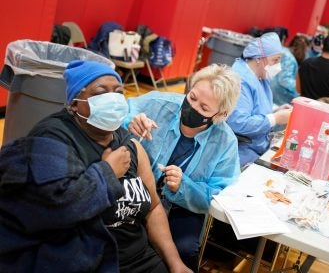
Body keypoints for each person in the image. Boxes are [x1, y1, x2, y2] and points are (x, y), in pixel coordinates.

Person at [0, 60, 192, 273]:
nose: (112, 98)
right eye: (101, 92)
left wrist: (176, 263)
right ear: (74, 104)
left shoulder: (130, 144)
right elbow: (55, 211)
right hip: (85, 259)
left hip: (137, 257)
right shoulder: (52, 139)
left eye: (118, 92)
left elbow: (153, 207)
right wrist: (107, 173)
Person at [124, 64, 241, 272]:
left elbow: (222, 195)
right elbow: (115, 113)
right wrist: (129, 121)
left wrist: (184, 187)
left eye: (204, 108)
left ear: (220, 114)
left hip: (183, 207)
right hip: (137, 190)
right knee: (128, 236)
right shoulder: (157, 104)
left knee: (185, 250)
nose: (193, 108)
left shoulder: (225, 142)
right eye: (192, 97)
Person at [226, 32, 292, 167]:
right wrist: (276, 118)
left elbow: (256, 104)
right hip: (241, 152)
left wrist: (275, 109)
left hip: (258, 147)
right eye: (275, 60)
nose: (278, 66)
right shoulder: (240, 80)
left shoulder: (261, 76)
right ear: (259, 59)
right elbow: (238, 122)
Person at [270, 34, 309, 106]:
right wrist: (300, 87)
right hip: (278, 95)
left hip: (270, 89)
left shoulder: (283, 51)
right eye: (306, 51)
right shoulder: (289, 59)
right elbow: (285, 80)